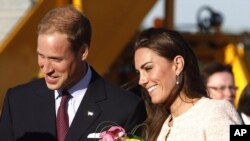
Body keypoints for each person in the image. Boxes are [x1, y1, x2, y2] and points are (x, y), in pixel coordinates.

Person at [0, 5, 146, 141]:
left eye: (55, 59)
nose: (46, 68)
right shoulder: (17, 101)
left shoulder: (126, 108)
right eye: (41, 56)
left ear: (82, 52)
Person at [133, 27, 242, 141]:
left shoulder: (214, 112)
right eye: (139, 72)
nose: (141, 80)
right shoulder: (162, 124)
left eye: (148, 68)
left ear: (178, 65)